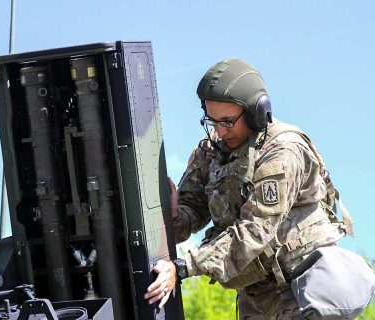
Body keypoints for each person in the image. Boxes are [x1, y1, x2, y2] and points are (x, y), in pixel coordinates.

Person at [144, 58, 353, 319]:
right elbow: (191, 214)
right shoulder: (210, 151)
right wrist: (174, 214)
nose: (219, 131)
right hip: (255, 290)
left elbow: (256, 229)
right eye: (212, 121)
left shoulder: (282, 150)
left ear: (257, 113)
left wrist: (184, 266)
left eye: (228, 121)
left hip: (303, 286)